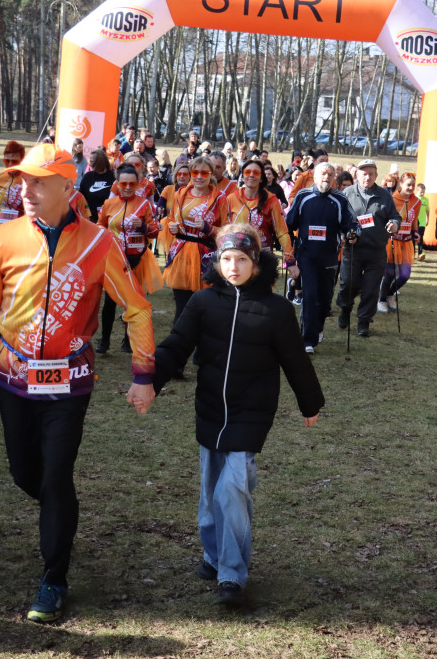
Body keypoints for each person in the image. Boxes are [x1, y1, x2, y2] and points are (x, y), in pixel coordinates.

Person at [0, 143, 156, 622]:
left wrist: (144, 375)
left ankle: (53, 579)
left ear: (67, 186)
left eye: (38, 181)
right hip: (12, 377)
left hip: (69, 382)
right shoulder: (3, 238)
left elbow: (137, 309)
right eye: (23, 181)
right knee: (26, 474)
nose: (27, 190)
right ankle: (60, 514)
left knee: (56, 475)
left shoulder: (101, 243)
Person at [151, 223, 324, 607]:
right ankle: (213, 557)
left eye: (242, 259)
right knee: (211, 491)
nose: (233, 267)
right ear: (217, 260)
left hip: (251, 412)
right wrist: (150, 380)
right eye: (226, 259)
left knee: (233, 488)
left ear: (257, 262)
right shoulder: (203, 302)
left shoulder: (275, 310)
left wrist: (309, 402)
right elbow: (177, 344)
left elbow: (295, 359)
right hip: (211, 410)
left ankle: (232, 574)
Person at [287, 162, 358, 353]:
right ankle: (307, 340)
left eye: (330, 174)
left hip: (329, 257)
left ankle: (317, 328)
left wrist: (352, 233)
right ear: (315, 177)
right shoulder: (303, 196)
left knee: (325, 299)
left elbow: (352, 224)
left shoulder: (340, 199)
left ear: (334, 178)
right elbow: (288, 223)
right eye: (323, 174)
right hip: (306, 256)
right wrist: (287, 247)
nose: (326, 177)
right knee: (309, 295)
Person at [96, 165, 162, 353]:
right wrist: (104, 233)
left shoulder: (144, 204)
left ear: (137, 183)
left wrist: (142, 226)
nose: (127, 187)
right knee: (109, 302)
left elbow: (155, 231)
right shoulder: (109, 204)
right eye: (123, 183)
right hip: (114, 260)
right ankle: (105, 340)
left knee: (133, 301)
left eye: (131, 183)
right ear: (117, 183)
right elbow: (99, 225)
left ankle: (128, 340)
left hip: (137, 259)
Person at [336, 159, 401, 337]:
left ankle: (364, 321)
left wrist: (394, 224)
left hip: (376, 250)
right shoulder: (347, 193)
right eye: (364, 173)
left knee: (371, 288)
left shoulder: (385, 195)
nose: (367, 177)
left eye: (371, 174)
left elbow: (395, 217)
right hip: (352, 250)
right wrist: (343, 234)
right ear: (357, 174)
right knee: (348, 283)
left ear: (376, 176)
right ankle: (345, 309)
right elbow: (338, 218)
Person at [163, 156, 228, 325]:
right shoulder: (180, 194)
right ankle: (178, 345)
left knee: (204, 305)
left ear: (211, 174)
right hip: (181, 254)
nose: (199, 176)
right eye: (195, 172)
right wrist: (172, 226)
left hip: (206, 255)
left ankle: (202, 345)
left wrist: (209, 228)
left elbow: (227, 231)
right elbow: (170, 218)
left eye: (204, 172)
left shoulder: (220, 198)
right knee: (182, 305)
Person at [224, 158, 296, 272]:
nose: (251, 175)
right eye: (247, 172)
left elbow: (282, 232)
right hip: (236, 256)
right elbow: (224, 229)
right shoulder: (231, 198)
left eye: (256, 172)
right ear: (242, 177)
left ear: (261, 177)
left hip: (262, 257)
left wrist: (290, 260)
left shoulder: (271, 200)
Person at [379, 173, 420, 313]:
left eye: (413, 185)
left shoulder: (417, 201)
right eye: (408, 184)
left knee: (405, 274)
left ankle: (390, 293)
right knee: (389, 273)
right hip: (392, 240)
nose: (411, 188)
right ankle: (382, 300)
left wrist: (415, 231)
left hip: (406, 242)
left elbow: (414, 220)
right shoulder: (391, 199)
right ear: (401, 184)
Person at [78, 150, 116, 223]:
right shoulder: (88, 177)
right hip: (91, 219)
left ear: (99, 162)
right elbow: (81, 198)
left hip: (109, 218)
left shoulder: (114, 177)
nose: (89, 164)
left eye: (91, 161)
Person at [415, 183, 429, 261]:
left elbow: (427, 210)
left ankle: (420, 254)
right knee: (413, 238)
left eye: (423, 192)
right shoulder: (414, 198)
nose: (422, 193)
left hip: (422, 222)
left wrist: (427, 219)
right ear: (417, 191)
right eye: (421, 192)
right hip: (414, 222)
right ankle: (412, 254)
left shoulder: (426, 200)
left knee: (420, 238)